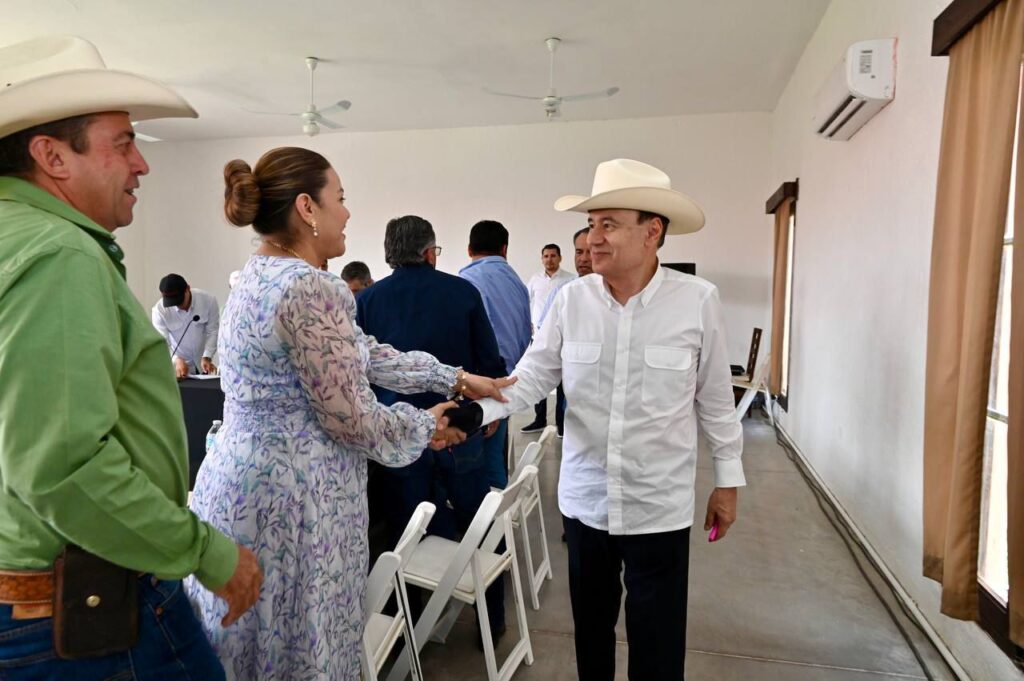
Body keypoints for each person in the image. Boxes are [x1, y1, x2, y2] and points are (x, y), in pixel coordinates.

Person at [186, 146, 513, 680]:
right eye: (339, 198)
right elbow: (354, 420)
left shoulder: (256, 276)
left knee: (250, 647)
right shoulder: (310, 287)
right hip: (296, 503)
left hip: (244, 489)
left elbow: (363, 353)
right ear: (307, 208)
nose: (347, 212)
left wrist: (452, 377)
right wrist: (427, 423)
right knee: (297, 650)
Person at [0, 35, 261, 678]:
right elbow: (64, 465)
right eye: (122, 144)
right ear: (52, 156)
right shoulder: (60, 256)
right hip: (83, 608)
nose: (141, 164)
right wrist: (206, 552)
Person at [475, 159, 745, 680]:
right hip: (587, 503)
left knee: (658, 644)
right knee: (592, 636)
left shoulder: (696, 302)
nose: (592, 239)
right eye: (591, 224)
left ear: (652, 231)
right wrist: (475, 411)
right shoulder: (571, 301)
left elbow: (715, 400)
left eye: (608, 224)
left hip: (658, 506)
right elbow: (532, 376)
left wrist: (727, 482)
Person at [357, 215, 508, 640]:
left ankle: (407, 630)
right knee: (477, 523)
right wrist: (488, 413)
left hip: (400, 436)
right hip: (458, 429)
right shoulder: (463, 292)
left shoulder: (367, 301)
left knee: (404, 534)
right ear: (429, 253)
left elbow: (362, 375)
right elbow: (489, 362)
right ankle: (491, 618)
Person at [458, 219, 531, 488]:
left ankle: (491, 514)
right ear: (504, 249)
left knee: (479, 469)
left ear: (469, 249)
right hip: (508, 381)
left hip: (480, 387)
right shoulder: (518, 284)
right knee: (496, 462)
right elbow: (525, 334)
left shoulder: (466, 282)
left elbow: (472, 341)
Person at [521, 242, 574, 434]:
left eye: (553, 256)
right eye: (546, 256)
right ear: (542, 259)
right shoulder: (535, 280)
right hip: (539, 335)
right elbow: (525, 302)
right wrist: (527, 323)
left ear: (560, 258)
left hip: (563, 335)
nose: (549, 259)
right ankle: (539, 419)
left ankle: (561, 423)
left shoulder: (570, 279)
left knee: (562, 381)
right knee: (539, 375)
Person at [152, 273, 220, 378]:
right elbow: (162, 343)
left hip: (202, 364)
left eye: (180, 300)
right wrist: (176, 360)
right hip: (178, 368)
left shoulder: (208, 301)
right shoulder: (159, 311)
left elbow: (213, 331)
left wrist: (207, 356)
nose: (178, 305)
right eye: (173, 302)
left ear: (187, 289)